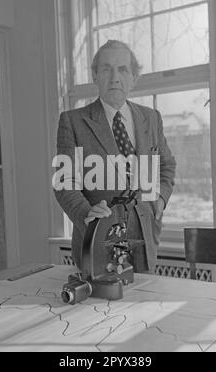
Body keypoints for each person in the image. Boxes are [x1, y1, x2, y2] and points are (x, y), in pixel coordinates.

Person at [54, 40, 176, 273]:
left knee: (144, 306)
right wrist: (85, 213)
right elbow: (64, 183)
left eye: (122, 69)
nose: (114, 77)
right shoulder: (72, 122)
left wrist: (159, 201)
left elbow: (167, 166)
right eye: (106, 69)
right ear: (95, 76)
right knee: (99, 308)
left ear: (134, 77)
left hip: (144, 239)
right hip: (97, 237)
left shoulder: (151, 118)